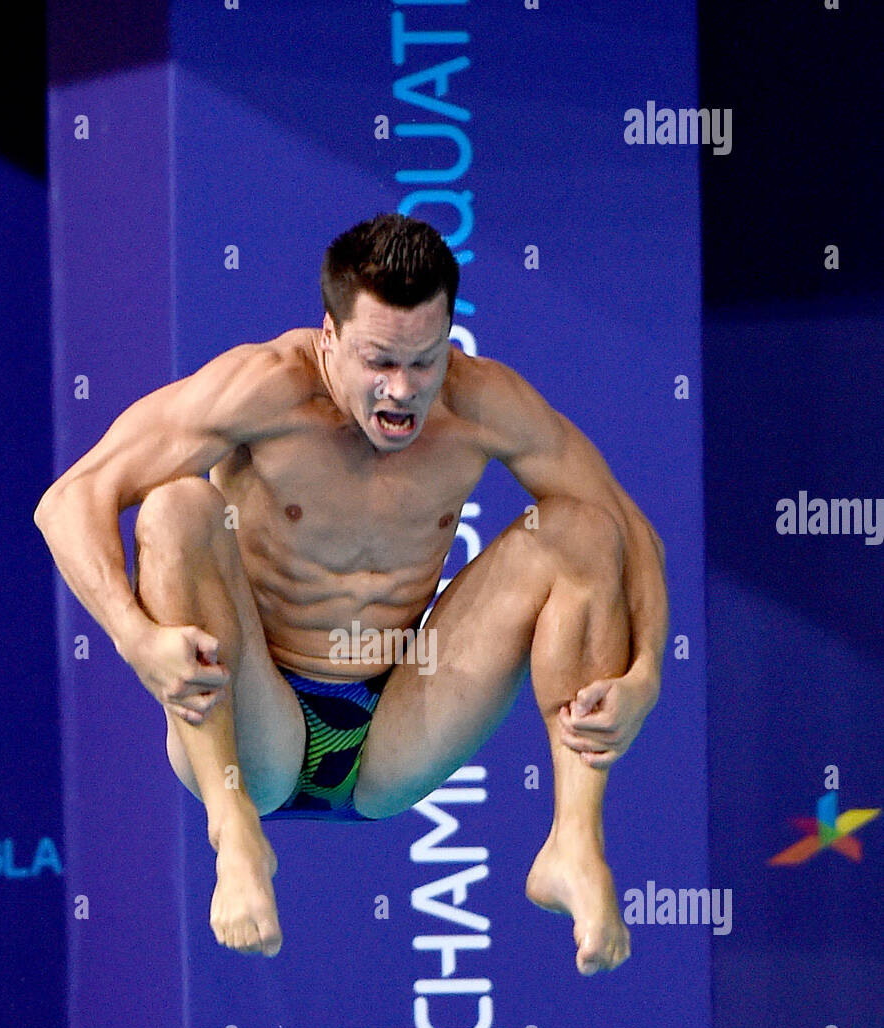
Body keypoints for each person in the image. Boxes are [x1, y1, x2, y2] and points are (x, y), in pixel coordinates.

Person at [35, 214, 667, 975]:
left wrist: (645, 676)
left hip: (399, 727)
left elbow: (633, 531)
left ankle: (573, 841)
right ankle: (233, 833)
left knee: (584, 530)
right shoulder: (263, 391)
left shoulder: (480, 405)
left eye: (424, 362)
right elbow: (70, 501)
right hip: (251, 724)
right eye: (379, 362)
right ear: (329, 337)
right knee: (176, 509)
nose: (402, 391)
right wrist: (137, 640)